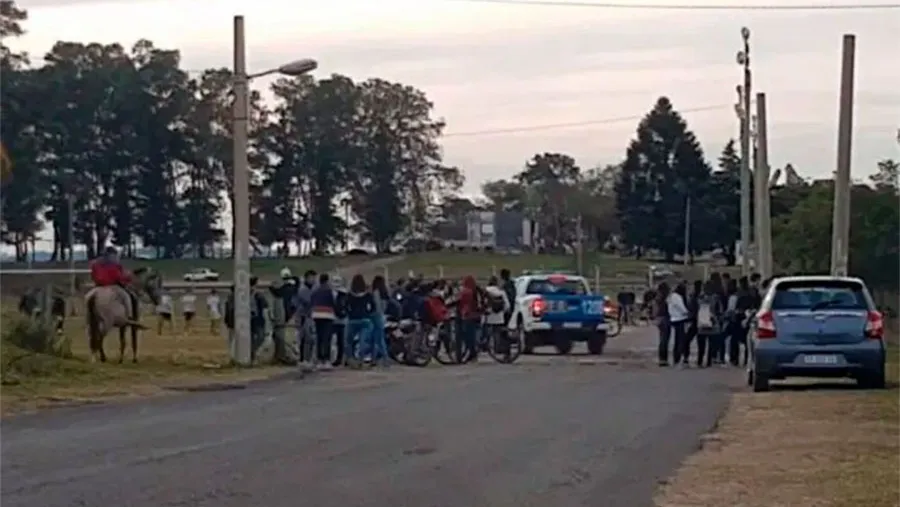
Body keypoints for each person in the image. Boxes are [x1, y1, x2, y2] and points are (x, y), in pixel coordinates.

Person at [90, 246, 139, 320]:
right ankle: (129, 315)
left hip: (98, 286)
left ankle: (88, 318)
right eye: (115, 255)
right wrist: (128, 278)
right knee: (126, 297)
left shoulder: (95, 264)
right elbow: (118, 277)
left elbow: (93, 276)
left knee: (88, 297)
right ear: (111, 255)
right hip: (112, 286)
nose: (116, 257)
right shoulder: (114, 264)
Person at [344, 274, 375, 366]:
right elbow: (373, 306)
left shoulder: (350, 294)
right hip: (365, 319)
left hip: (352, 319)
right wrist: (368, 314)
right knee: (363, 341)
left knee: (348, 341)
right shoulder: (368, 294)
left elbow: (345, 306)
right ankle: (361, 359)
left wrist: (349, 313)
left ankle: (350, 358)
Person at [310, 273, 336, 370]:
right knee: (327, 338)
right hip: (327, 315)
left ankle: (319, 359)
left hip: (316, 315)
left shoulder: (315, 291)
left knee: (319, 338)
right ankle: (326, 360)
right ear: (327, 281)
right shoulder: (329, 291)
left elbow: (311, 302)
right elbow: (333, 303)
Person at [696, 279, 725, 367]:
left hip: (701, 323)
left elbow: (695, 308)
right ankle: (709, 361)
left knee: (701, 345)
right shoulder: (716, 298)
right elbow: (720, 310)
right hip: (713, 323)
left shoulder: (700, 297)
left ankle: (700, 361)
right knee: (711, 344)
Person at [457, 275, 482, 362]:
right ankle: (473, 351)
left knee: (468, 336)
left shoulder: (467, 291)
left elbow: (460, 301)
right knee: (473, 334)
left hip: (469, 315)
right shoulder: (476, 290)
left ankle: (472, 353)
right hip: (477, 315)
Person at [370, 275, 394, 366]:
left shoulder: (376, 292)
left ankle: (382, 358)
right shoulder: (385, 293)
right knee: (379, 338)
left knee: (376, 339)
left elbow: (376, 305)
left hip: (376, 316)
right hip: (382, 316)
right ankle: (378, 358)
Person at [668, 282, 691, 368]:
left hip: (673, 318)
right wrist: (687, 312)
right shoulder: (677, 297)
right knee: (681, 340)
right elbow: (681, 307)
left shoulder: (671, 296)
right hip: (680, 318)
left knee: (677, 340)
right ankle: (678, 358)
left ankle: (676, 358)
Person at [654, 282, 672, 366]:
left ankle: (662, 359)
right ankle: (664, 359)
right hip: (666, 318)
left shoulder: (658, 297)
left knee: (662, 339)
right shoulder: (667, 298)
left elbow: (656, 309)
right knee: (665, 339)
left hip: (659, 318)